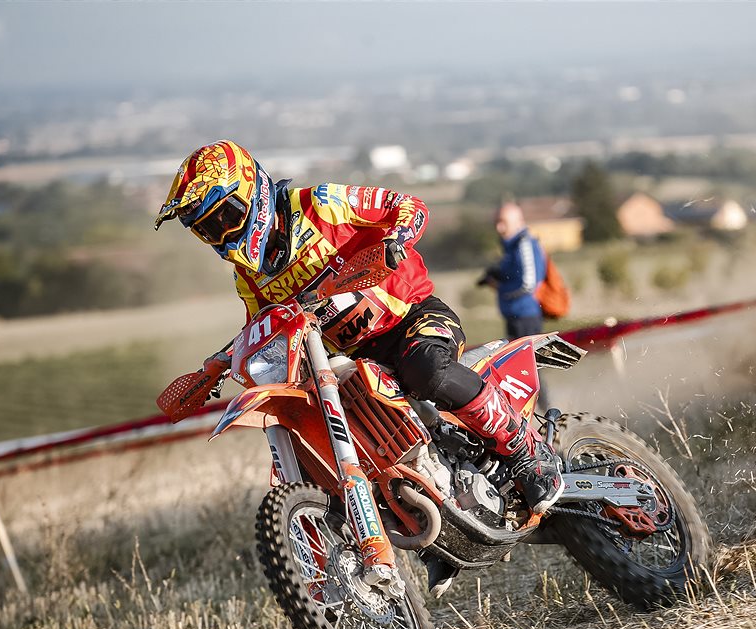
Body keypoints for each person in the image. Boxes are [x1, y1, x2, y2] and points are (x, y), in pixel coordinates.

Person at [154, 141, 564, 521]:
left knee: (426, 369)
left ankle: (526, 452)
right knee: (345, 431)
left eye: (227, 216)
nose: (224, 234)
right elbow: (263, 328)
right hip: (357, 358)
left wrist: (396, 240)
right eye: (208, 229)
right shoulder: (248, 278)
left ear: (253, 191)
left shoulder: (320, 204)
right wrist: (217, 366)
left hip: (412, 318)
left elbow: (409, 206)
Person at [479, 201, 550, 407]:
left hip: (526, 316)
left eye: (503, 222)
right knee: (520, 371)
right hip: (514, 316)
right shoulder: (511, 246)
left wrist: (499, 287)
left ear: (519, 221)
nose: (499, 228)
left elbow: (529, 283)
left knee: (529, 371)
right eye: (496, 222)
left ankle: (548, 412)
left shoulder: (524, 243)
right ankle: (534, 412)